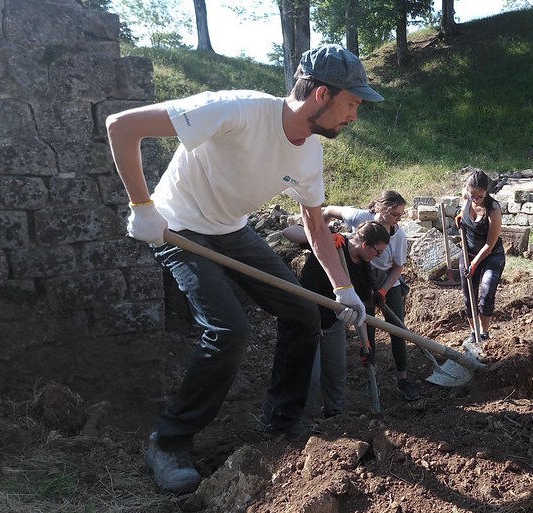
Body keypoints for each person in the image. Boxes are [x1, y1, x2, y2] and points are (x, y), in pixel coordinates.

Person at [105, 44, 383, 494]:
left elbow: (314, 223)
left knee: (302, 312)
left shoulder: (310, 154)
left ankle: (280, 423)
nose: (354, 115)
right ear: (321, 95)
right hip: (176, 228)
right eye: (352, 103)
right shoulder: (236, 110)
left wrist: (344, 288)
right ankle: (169, 441)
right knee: (229, 329)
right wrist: (142, 207)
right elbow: (123, 126)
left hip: (232, 230)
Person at [283, 221, 390, 418]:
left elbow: (360, 313)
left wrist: (365, 344)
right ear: (365, 244)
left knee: (336, 373)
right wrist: (320, 238)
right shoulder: (333, 243)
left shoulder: (363, 271)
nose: (378, 257)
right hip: (305, 321)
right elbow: (288, 232)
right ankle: (297, 421)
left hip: (332, 324)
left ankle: (336, 417)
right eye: (378, 252)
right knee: (309, 376)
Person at [321, 191, 420, 401]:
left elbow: (398, 267)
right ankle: (372, 380)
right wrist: (323, 234)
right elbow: (328, 210)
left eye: (401, 214)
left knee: (397, 328)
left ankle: (402, 379)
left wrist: (383, 290)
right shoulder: (359, 218)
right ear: (380, 209)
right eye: (395, 214)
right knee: (367, 329)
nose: (399, 218)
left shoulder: (398, 235)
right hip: (360, 276)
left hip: (387, 280)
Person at [457, 169, 505, 357]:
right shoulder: (467, 196)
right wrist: (461, 216)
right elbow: (464, 206)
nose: (476, 199)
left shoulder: (493, 209)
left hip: (491, 256)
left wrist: (475, 263)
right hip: (467, 253)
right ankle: (473, 333)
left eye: (480, 196)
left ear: (487, 192)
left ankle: (484, 334)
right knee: (469, 296)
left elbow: (490, 244)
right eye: (473, 195)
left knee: (485, 294)